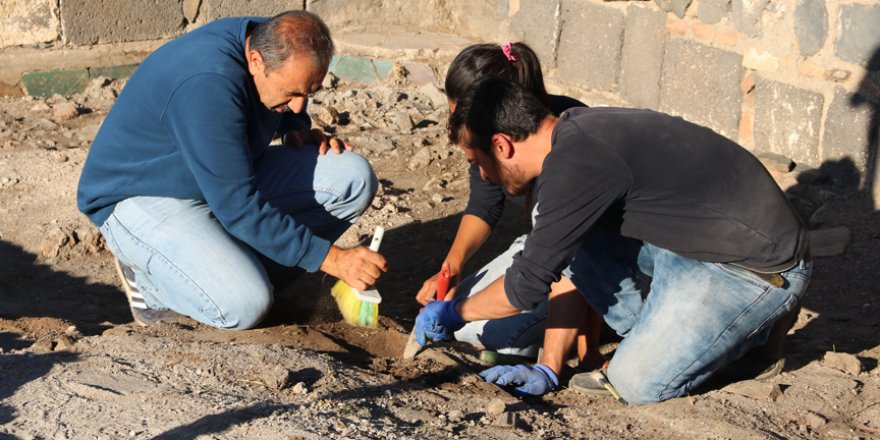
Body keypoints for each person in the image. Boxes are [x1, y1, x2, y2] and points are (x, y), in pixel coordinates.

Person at [415, 78, 811, 404]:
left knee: (636, 383)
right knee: (555, 231)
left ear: (502, 145)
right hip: (689, 242)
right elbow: (560, 260)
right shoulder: (573, 132)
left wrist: (453, 313)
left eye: (478, 163)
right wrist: (549, 367)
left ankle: (751, 343)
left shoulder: (576, 164)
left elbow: (525, 287)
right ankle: (673, 334)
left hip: (753, 269)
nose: (484, 176)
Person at [77, 11, 387, 329]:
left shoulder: (274, 39)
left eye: (307, 94)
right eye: (291, 94)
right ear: (255, 61)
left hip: (218, 178)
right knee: (245, 304)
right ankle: (152, 284)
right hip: (143, 194)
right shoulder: (207, 82)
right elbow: (239, 207)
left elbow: (238, 194)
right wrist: (333, 259)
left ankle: (230, 266)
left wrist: (294, 126)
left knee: (353, 179)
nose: (298, 103)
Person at [415, 42, 603, 365]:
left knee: (496, 337)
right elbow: (485, 204)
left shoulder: (568, 147)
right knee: (464, 324)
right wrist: (452, 266)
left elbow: (587, 257)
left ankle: (601, 325)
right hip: (543, 251)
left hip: (593, 267)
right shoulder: (491, 138)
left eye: (461, 116)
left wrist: (580, 357)